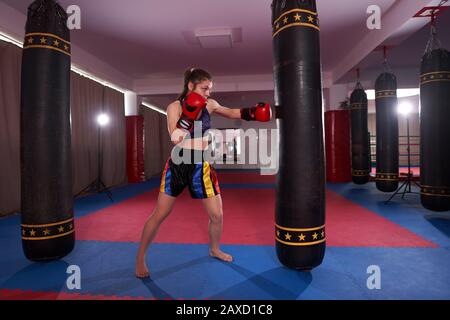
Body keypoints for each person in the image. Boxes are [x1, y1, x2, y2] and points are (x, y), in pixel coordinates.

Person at [135, 67, 271, 278]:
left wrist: (253, 112)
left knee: (217, 215)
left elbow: (232, 112)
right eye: (205, 88)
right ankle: (140, 257)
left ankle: (214, 248)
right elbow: (175, 136)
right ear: (191, 86)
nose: (209, 93)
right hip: (178, 165)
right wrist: (188, 116)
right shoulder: (173, 107)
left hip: (202, 165)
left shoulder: (210, 104)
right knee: (160, 214)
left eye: (210, 89)